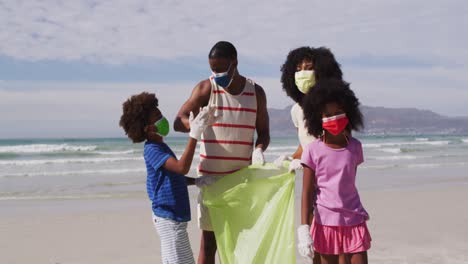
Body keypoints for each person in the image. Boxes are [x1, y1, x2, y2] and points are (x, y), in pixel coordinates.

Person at [174, 41, 270, 264]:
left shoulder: (256, 93)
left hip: (241, 183)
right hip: (211, 183)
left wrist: (259, 149)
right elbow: (178, 121)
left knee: (241, 243)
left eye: (220, 69)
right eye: (212, 69)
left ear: (234, 63)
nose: (216, 74)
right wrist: (194, 125)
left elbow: (264, 133)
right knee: (209, 245)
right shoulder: (206, 88)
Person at [119, 92, 216, 264]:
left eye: (160, 113)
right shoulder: (152, 150)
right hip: (169, 220)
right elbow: (181, 167)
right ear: (148, 128)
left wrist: (196, 182)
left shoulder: (160, 146)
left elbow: (173, 177)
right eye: (157, 117)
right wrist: (194, 134)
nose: (162, 118)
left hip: (174, 220)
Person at [297, 79, 371, 264]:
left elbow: (347, 181)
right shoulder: (313, 150)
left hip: (354, 218)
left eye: (338, 113)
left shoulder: (355, 147)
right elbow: (307, 192)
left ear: (348, 113)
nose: (334, 118)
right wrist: (304, 228)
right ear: (317, 118)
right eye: (327, 114)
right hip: (325, 222)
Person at [275, 47, 344, 172]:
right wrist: (291, 158)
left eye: (308, 68)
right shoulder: (296, 110)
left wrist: (306, 162)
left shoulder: (334, 107)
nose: (302, 74)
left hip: (333, 179)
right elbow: (305, 145)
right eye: (298, 70)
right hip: (312, 179)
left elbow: (341, 147)